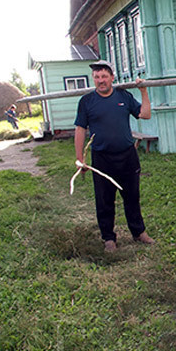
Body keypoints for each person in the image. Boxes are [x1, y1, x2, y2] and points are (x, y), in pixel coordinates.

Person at [74, 60, 155, 252]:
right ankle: (109, 238)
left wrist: (143, 91)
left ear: (112, 78)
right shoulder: (86, 102)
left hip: (127, 155)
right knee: (104, 200)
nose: (101, 80)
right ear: (93, 79)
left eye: (104, 76)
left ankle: (138, 232)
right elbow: (80, 129)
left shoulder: (123, 96)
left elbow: (145, 114)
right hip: (102, 158)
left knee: (132, 196)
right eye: (97, 77)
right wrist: (80, 159)